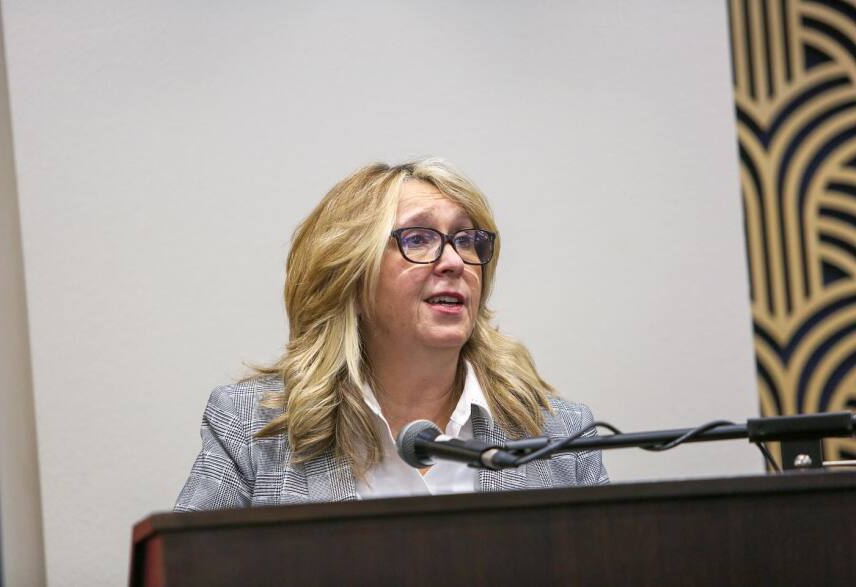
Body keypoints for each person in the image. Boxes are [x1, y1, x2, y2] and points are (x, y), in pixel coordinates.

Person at [174, 158, 608, 511]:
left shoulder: (559, 434)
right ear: (350, 278)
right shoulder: (254, 430)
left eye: (467, 239)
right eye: (419, 239)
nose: (455, 261)